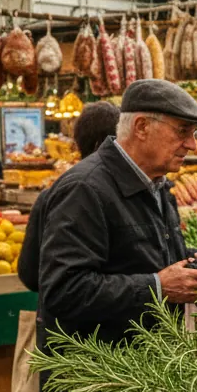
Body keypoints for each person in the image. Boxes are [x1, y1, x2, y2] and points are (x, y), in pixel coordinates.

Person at [36, 81, 197, 392]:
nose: (192, 144)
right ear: (140, 127)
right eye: (182, 131)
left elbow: (138, 262)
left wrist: (182, 269)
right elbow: (63, 290)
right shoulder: (85, 188)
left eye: (195, 133)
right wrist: (157, 284)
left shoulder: (157, 188)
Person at [19, 101, 120, 293]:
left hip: (62, 320)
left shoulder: (52, 194)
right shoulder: (132, 194)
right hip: (126, 319)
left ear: (77, 142)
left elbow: (30, 274)